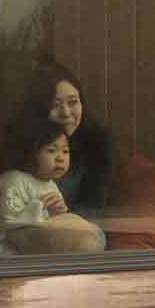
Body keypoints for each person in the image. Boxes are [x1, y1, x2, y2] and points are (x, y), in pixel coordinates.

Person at [0, 104, 105, 255]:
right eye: (52, 150)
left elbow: (53, 222)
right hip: (9, 254)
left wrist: (57, 212)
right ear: (31, 153)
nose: (61, 158)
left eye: (65, 151)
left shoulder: (51, 185)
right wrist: (39, 207)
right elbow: (6, 223)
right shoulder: (14, 181)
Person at [36, 65, 114, 221]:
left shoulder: (97, 142)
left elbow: (95, 206)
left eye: (73, 102)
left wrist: (62, 213)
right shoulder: (27, 142)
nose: (65, 113)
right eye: (55, 105)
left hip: (76, 228)